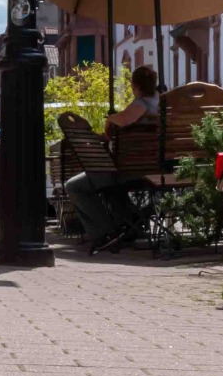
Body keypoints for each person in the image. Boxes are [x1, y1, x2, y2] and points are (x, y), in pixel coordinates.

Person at [67, 65, 159, 253]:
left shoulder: (140, 104)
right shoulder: (163, 104)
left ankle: (105, 232)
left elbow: (124, 119)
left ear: (135, 86)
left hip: (129, 169)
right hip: (157, 165)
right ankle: (131, 222)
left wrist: (109, 120)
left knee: (73, 186)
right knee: (112, 191)